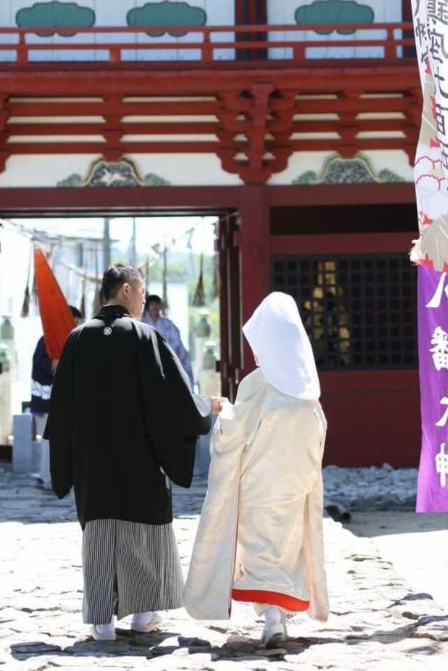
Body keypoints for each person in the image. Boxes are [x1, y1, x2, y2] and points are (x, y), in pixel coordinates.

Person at [46, 264, 220, 641]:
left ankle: (102, 622)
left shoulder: (77, 340)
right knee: (143, 534)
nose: (144, 299)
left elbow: (61, 409)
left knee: (100, 535)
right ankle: (143, 615)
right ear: (126, 290)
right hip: (139, 459)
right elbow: (173, 400)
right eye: (141, 292)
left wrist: (65, 461)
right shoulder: (145, 337)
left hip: (93, 463)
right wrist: (206, 409)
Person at [184, 292, 328, 647]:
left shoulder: (258, 383)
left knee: (259, 552)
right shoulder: (307, 388)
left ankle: (272, 618)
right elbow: (317, 437)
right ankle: (279, 616)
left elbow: (231, 434)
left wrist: (222, 415)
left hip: (259, 485)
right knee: (286, 550)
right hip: (295, 486)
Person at [30, 305, 83, 489]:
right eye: (73, 322)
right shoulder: (47, 342)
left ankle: (57, 477)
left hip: (60, 403)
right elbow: (44, 365)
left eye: (77, 323)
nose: (75, 326)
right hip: (45, 403)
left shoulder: (71, 342)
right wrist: (57, 362)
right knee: (49, 442)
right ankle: (47, 478)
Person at [142, 294, 194, 386]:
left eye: (156, 304)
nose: (154, 307)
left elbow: (176, 343)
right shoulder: (141, 324)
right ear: (147, 307)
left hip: (167, 360)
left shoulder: (168, 324)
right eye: (152, 304)